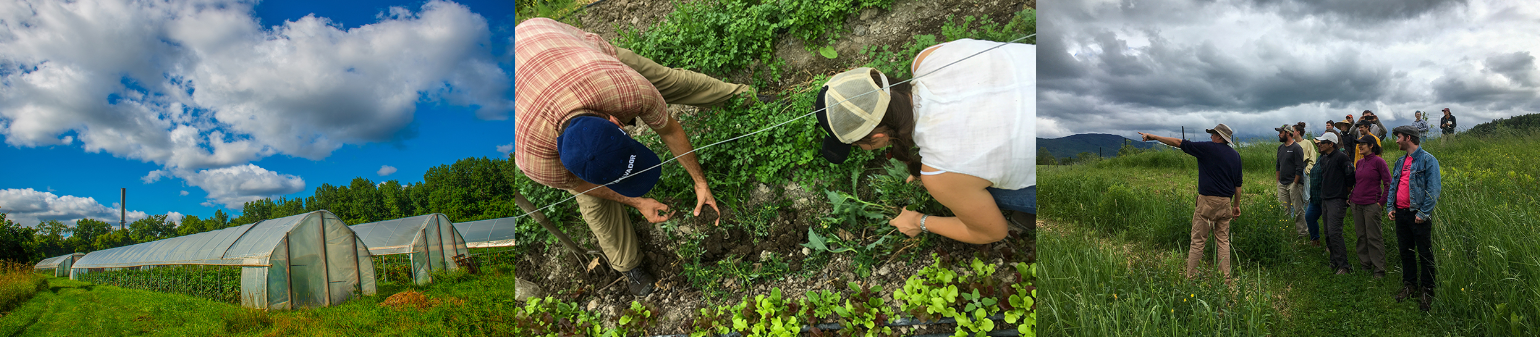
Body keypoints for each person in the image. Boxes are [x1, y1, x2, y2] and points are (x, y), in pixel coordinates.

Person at [514, 18, 756, 296]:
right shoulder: (537, 162)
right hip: (525, 92)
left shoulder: (626, 86)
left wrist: (700, 181)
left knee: (670, 81)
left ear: (617, 122)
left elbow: (669, 128)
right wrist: (636, 201)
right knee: (593, 202)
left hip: (551, 41)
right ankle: (630, 266)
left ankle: (744, 97)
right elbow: (582, 184)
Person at [816, 39, 1035, 244]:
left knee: (981, 189)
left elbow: (992, 232)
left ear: (879, 137)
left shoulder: (941, 175)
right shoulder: (929, 57)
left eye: (856, 145)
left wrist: (918, 221)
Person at [1138, 124, 1242, 280]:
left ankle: (1191, 281)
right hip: (1226, 203)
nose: (1211, 137)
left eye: (1213, 134)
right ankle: (1224, 281)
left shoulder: (1208, 148)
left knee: (1198, 241)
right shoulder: (1235, 156)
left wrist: (1153, 137)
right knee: (1223, 242)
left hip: (1207, 202)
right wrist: (1236, 206)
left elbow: (1179, 142)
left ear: (1220, 136)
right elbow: (1238, 185)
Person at [1387, 125, 1442, 312]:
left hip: (1417, 215)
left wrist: (1423, 213)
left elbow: (1434, 190)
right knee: (1406, 251)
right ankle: (1409, 285)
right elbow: (1393, 186)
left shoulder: (1428, 160)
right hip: (1401, 214)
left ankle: (1427, 289)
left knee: (1425, 253)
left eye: (1399, 137)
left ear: (1408, 138)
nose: (1396, 140)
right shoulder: (1400, 162)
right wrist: (1390, 207)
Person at [1350, 135, 1391, 279]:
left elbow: (1388, 184)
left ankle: (1379, 269)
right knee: (1361, 236)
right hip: (1357, 204)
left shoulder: (1379, 162)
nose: (1360, 146)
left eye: (1363, 144)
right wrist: (1351, 197)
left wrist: (1381, 203)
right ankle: (1365, 265)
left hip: (1371, 204)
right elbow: (1358, 183)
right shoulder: (1359, 163)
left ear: (1371, 146)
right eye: (1359, 144)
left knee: (1374, 237)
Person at [1315, 132, 1355, 275]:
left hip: (1337, 199)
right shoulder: (1324, 158)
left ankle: (1344, 266)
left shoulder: (1342, 157)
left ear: (1331, 144)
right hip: (1325, 198)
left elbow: (1350, 175)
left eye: (1322, 142)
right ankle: (1334, 261)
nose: (1319, 144)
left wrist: (1345, 193)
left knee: (1334, 233)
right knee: (1327, 233)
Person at [1275, 125, 1306, 237]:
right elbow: (1278, 166)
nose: (1279, 134)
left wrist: (1295, 183)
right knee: (1284, 210)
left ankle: (1302, 234)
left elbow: (1299, 167)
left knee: (1298, 210)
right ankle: (1286, 234)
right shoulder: (1280, 148)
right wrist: (1278, 181)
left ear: (1287, 133)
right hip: (1282, 184)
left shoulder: (1296, 148)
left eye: (1281, 132)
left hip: (1294, 184)